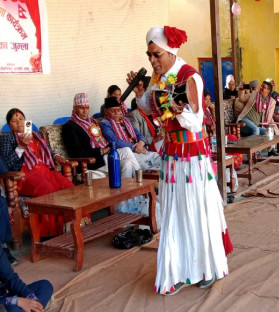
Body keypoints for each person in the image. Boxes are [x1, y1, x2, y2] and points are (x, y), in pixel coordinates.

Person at [127, 26, 232, 295]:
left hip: (192, 158)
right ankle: (181, 270)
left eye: (156, 54)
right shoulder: (158, 78)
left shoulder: (190, 77)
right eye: (149, 55)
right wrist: (141, 93)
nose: (152, 60)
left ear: (170, 51)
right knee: (175, 214)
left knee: (195, 211)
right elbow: (152, 107)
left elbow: (196, 122)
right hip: (171, 158)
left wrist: (180, 111)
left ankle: (206, 268)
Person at [0, 108, 76, 238]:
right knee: (49, 190)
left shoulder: (36, 135)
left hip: (44, 171)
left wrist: (56, 156)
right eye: (14, 121)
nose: (19, 123)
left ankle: (75, 223)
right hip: (24, 176)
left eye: (21, 119)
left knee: (68, 187)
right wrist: (21, 147)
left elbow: (48, 151)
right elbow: (6, 164)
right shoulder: (7, 139)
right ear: (9, 125)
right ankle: (53, 233)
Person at [62, 93, 141, 178]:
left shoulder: (92, 122)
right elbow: (77, 153)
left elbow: (102, 140)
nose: (85, 111)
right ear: (74, 109)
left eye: (87, 108)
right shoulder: (69, 126)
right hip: (93, 162)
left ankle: (133, 187)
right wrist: (101, 151)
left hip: (105, 157)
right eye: (81, 108)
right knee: (126, 151)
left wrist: (108, 148)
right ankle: (141, 180)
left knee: (127, 161)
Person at [100, 97, 161, 172]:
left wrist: (141, 143)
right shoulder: (105, 123)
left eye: (118, 110)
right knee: (145, 166)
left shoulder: (126, 120)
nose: (116, 113)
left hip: (139, 149)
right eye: (113, 110)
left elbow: (138, 134)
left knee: (158, 157)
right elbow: (115, 141)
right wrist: (135, 148)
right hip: (127, 153)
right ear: (106, 111)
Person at [0, 248, 53, 312]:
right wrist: (18, 301)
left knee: (45, 286)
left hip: (6, 297)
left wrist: (35, 305)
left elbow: (11, 279)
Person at [236, 80, 279, 156]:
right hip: (244, 121)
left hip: (257, 125)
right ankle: (254, 155)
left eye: (264, 87)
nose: (261, 88)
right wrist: (241, 89)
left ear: (268, 91)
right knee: (255, 130)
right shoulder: (254, 94)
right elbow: (241, 99)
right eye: (262, 86)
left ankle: (267, 151)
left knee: (266, 132)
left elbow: (268, 118)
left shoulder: (271, 102)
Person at [0, 156, 16, 266]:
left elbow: (4, 169)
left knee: (1, 203)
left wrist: (21, 148)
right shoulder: (8, 138)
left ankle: (2, 247)